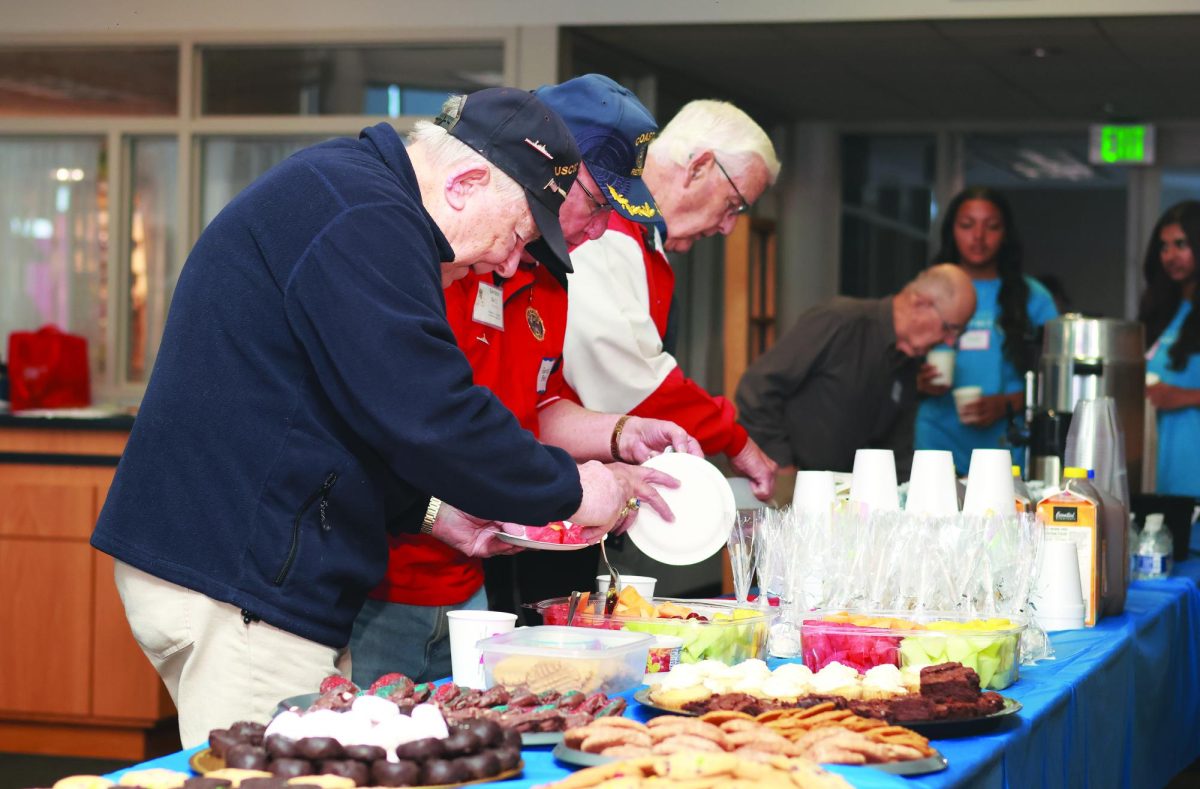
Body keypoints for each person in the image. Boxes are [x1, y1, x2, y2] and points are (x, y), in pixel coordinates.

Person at [90, 88, 643, 746]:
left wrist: (434, 514)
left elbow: (344, 410)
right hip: (240, 584)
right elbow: (431, 410)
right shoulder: (363, 214)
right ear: (466, 182)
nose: (511, 261)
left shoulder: (355, 195)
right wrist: (579, 490)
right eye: (519, 232)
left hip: (240, 571)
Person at [351, 75, 699, 685]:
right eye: (595, 202)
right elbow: (410, 419)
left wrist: (620, 434)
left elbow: (533, 408)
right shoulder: (440, 261)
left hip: (469, 582)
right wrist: (573, 490)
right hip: (375, 578)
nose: (600, 228)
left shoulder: (549, 282)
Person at [563, 99, 782, 501]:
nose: (729, 227)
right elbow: (634, 386)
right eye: (733, 205)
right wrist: (734, 439)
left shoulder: (641, 239)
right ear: (699, 166)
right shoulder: (605, 231)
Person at [735, 264, 975, 476]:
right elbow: (757, 388)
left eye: (957, 333)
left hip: (847, 503)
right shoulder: (841, 321)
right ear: (919, 303)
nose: (951, 342)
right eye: (949, 328)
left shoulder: (908, 362)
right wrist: (782, 466)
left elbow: (897, 448)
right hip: (789, 488)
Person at [914, 187, 1059, 474]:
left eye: (991, 227)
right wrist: (916, 380)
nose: (978, 237)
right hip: (937, 436)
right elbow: (896, 359)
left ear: (1005, 234)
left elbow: (1057, 379)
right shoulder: (926, 288)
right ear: (951, 231)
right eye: (967, 225)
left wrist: (1007, 404)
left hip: (1004, 443)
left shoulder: (1033, 297)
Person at [1138, 200, 1200, 498]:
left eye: (1181, 244)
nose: (1170, 256)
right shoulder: (1163, 311)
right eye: (1164, 247)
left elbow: (1175, 393)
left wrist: (1183, 396)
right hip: (1160, 470)